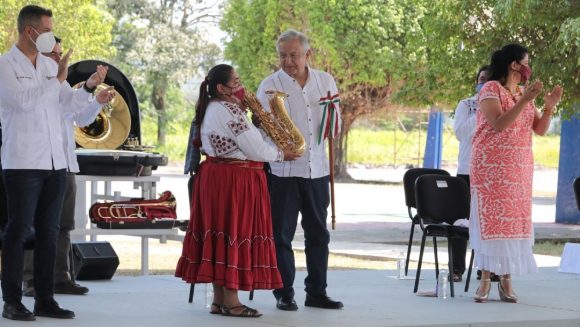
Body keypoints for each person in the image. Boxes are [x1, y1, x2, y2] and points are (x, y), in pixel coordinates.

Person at [0, 5, 108, 321]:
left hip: (55, 162)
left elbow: (68, 107)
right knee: (18, 231)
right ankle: (12, 300)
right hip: (22, 161)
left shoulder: (50, 70)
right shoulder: (5, 65)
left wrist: (88, 88)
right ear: (30, 31)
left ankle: (45, 299)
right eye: (47, 30)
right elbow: (21, 102)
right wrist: (58, 76)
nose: (50, 35)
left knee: (49, 231)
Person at [175, 64, 299, 318]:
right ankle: (232, 302)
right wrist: (281, 153)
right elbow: (253, 148)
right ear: (221, 88)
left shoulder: (213, 106)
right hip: (235, 179)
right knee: (235, 232)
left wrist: (258, 126)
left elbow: (245, 141)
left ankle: (220, 301)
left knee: (221, 234)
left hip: (217, 177)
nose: (241, 87)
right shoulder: (229, 109)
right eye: (236, 82)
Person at [257, 29, 344, 311]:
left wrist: (333, 122)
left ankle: (317, 292)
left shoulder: (325, 81)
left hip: (317, 170)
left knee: (318, 235)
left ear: (308, 54)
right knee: (281, 235)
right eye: (283, 55)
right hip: (282, 172)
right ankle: (284, 292)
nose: (288, 61)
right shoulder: (269, 84)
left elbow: (335, 122)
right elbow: (262, 128)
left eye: (294, 55)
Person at [21, 36, 114, 298]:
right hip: (36, 163)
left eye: (60, 55)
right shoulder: (28, 82)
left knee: (63, 224)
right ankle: (30, 279)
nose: (59, 60)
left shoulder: (60, 85)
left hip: (64, 163)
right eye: (54, 55)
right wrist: (78, 87)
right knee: (33, 224)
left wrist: (93, 94)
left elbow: (76, 116)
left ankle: (60, 277)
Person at [470, 44, 563, 303]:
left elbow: (540, 129)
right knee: (491, 223)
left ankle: (507, 280)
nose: (528, 67)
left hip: (519, 170)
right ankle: (486, 280)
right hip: (491, 170)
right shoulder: (491, 89)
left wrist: (548, 106)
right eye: (526, 61)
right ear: (514, 65)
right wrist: (524, 101)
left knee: (512, 224)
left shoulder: (521, 92)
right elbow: (499, 124)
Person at [452, 65, 490, 283]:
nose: (484, 83)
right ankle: (457, 268)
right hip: (467, 171)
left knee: (487, 224)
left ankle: (486, 268)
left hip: (489, 173)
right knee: (460, 221)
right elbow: (461, 133)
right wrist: (483, 110)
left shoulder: (502, 106)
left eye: (489, 80)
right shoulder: (466, 105)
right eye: (481, 79)